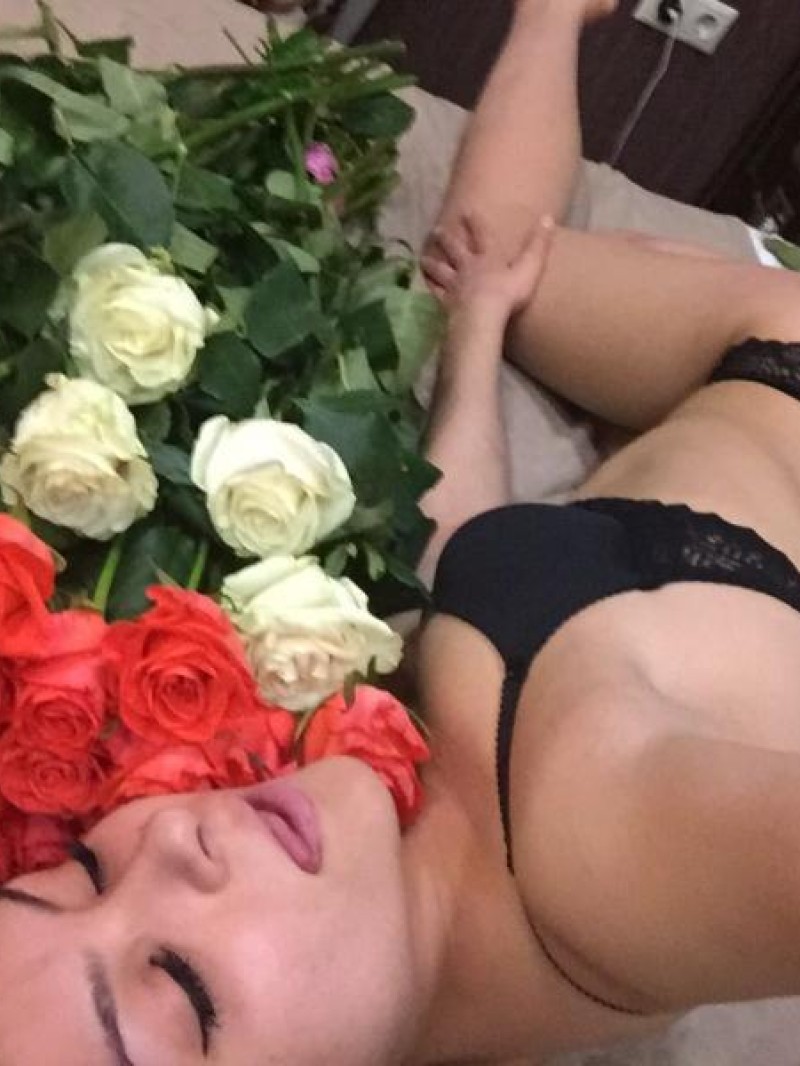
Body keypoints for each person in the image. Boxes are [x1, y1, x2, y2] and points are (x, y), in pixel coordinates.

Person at [5, 0, 800, 1063]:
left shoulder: (392, 887)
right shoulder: (619, 859)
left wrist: (472, 339)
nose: (169, 837)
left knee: (489, 257)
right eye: (182, 988)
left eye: (85, 872)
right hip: (772, 360)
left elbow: (465, 552)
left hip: (738, 359)